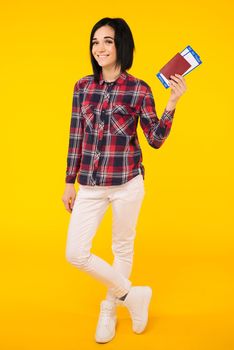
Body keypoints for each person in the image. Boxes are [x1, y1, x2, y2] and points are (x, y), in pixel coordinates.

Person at [62, 17, 187, 343]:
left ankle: (109, 307)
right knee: (75, 252)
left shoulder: (139, 89)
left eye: (107, 41)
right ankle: (133, 295)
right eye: (95, 42)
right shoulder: (82, 87)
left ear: (122, 46)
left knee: (122, 247)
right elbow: (76, 136)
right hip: (90, 184)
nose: (99, 48)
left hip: (127, 183)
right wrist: (68, 182)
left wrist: (172, 103)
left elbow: (156, 139)